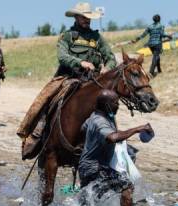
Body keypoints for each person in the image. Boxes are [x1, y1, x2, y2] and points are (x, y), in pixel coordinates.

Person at [17, 2, 117, 160]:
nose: (87, 20)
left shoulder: (97, 37)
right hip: (68, 77)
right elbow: (62, 56)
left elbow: (110, 57)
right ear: (76, 17)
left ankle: (112, 140)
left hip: (93, 80)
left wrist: (108, 68)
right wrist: (80, 62)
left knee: (109, 102)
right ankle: (36, 134)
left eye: (88, 17)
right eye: (84, 17)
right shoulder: (67, 36)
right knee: (46, 99)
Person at [79, 90, 153, 206]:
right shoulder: (100, 121)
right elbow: (113, 137)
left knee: (88, 202)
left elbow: (83, 128)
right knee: (126, 186)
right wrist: (137, 129)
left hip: (85, 166)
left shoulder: (94, 116)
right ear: (107, 105)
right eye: (115, 103)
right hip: (95, 168)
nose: (118, 105)